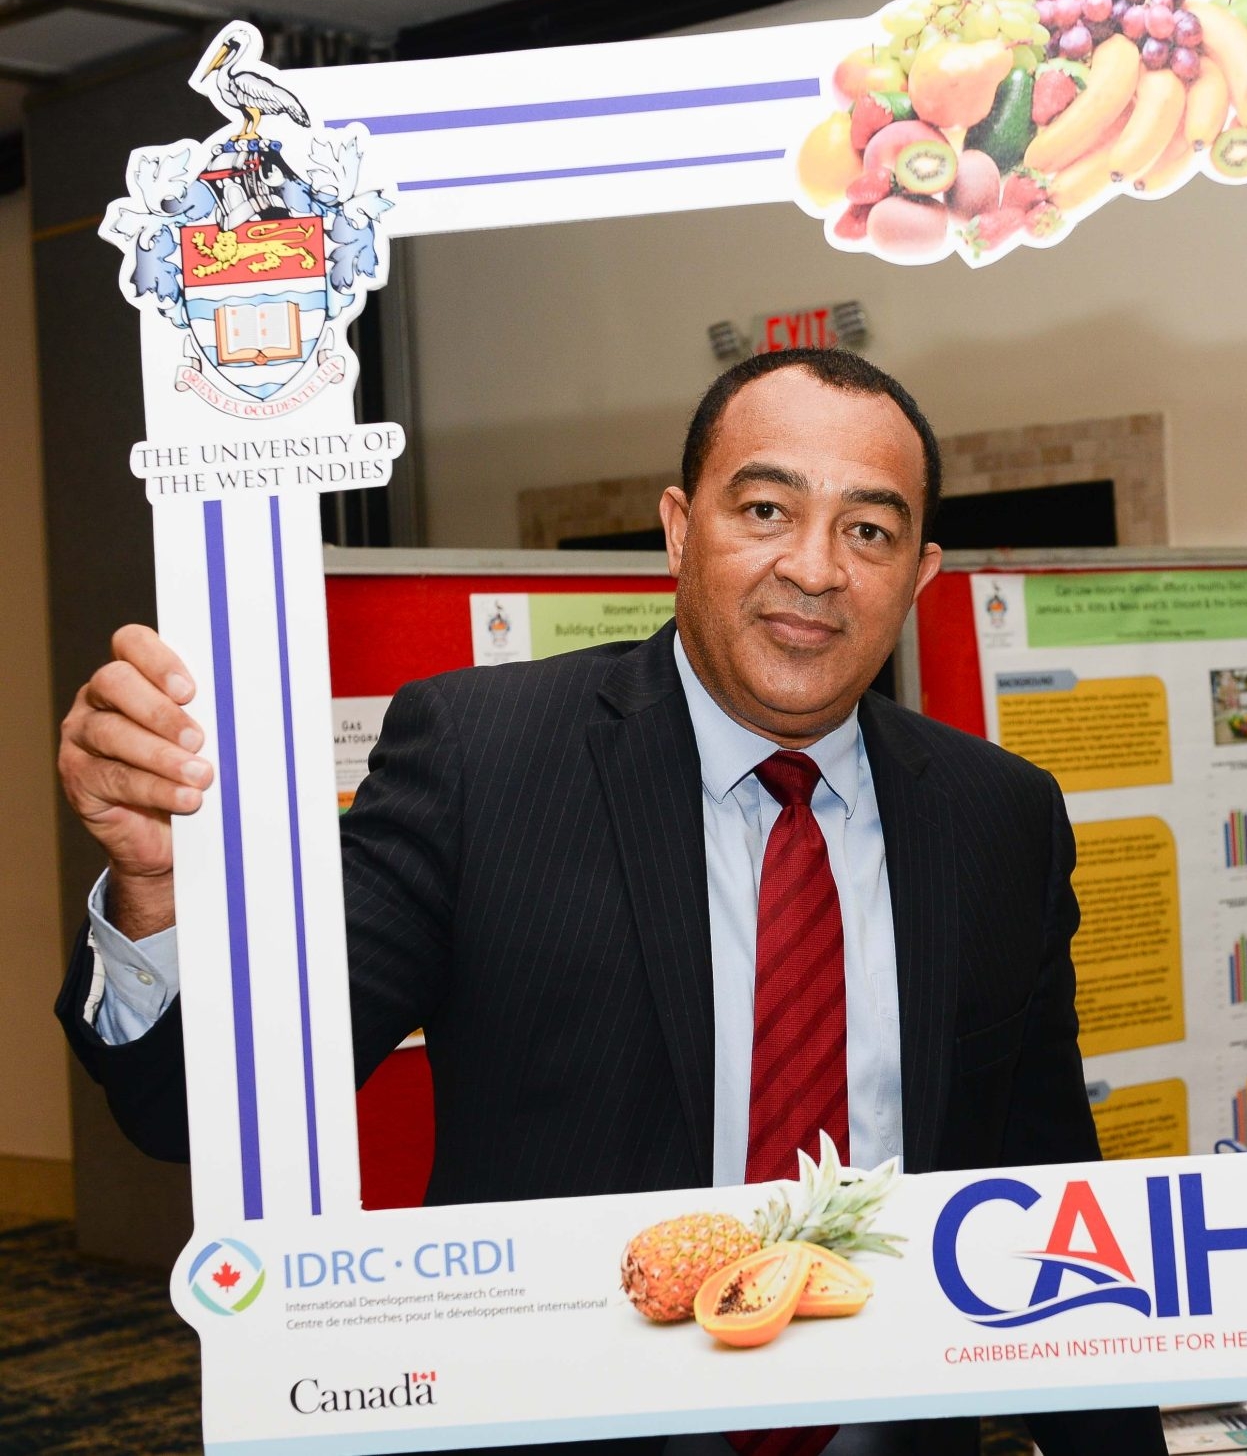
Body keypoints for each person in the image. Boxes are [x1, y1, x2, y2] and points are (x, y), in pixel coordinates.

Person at [55, 347, 1169, 1456]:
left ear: (919, 576)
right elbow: (195, 1109)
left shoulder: (998, 815)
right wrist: (155, 893)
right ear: (680, 530)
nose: (816, 567)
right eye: (767, 509)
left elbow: (1044, 1191)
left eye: (868, 530)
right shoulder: (484, 761)